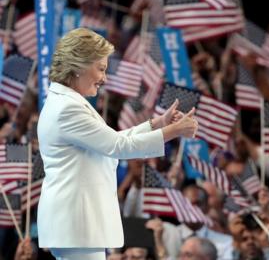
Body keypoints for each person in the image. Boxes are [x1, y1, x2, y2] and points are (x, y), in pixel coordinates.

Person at [37, 28, 198, 260]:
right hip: (77, 223)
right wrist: (172, 131)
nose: (104, 78)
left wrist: (156, 125)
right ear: (79, 65)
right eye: (101, 68)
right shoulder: (67, 108)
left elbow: (112, 140)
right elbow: (117, 146)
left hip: (76, 225)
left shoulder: (65, 102)